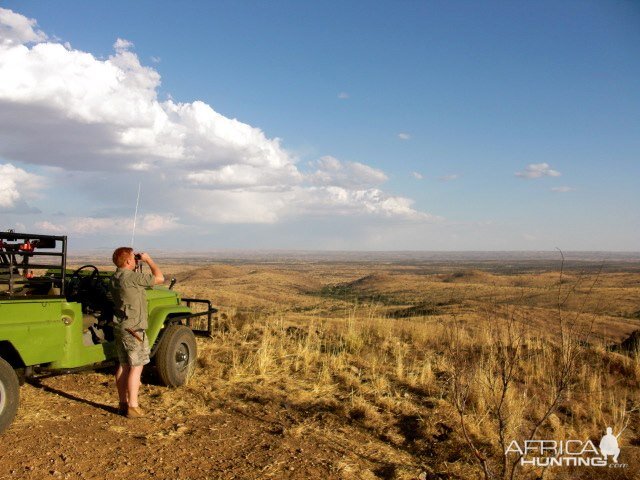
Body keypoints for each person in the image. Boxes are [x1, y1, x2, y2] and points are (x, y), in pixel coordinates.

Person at [110, 247, 164, 418]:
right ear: (127, 261)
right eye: (133, 258)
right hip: (135, 329)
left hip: (121, 327)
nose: (135, 260)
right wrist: (149, 260)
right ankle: (133, 406)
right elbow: (160, 278)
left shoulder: (115, 277)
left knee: (123, 365)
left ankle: (122, 403)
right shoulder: (132, 278)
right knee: (136, 366)